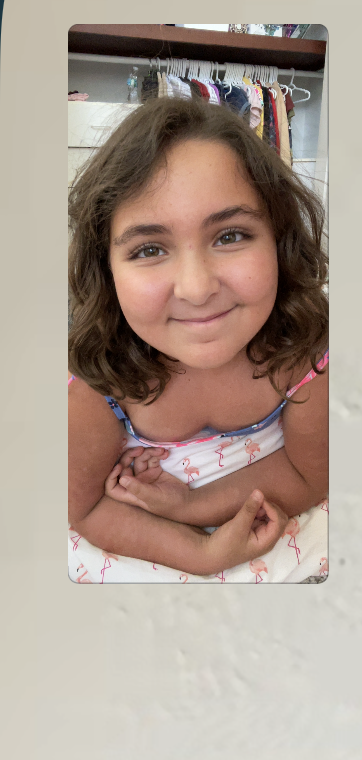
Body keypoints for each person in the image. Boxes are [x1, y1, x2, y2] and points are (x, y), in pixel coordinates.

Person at [67, 95, 329, 582]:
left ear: (280, 240)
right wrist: (201, 554)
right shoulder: (100, 378)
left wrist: (191, 505)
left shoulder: (302, 349)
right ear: (105, 270)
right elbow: (83, 509)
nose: (196, 287)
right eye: (149, 249)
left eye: (230, 236)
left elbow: (310, 475)